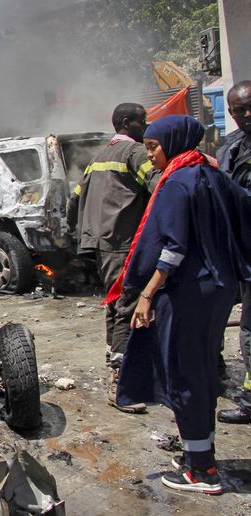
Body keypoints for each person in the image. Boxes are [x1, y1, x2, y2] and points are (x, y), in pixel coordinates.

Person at [110, 115, 251, 494]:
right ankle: (197, 452)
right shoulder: (211, 174)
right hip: (219, 289)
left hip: (187, 290)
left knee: (184, 372)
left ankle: (201, 472)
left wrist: (146, 293)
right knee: (203, 369)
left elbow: (173, 249)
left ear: (171, 142)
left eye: (153, 147)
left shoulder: (176, 182)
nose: (150, 155)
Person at [68, 103, 158, 413]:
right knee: (127, 305)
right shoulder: (135, 154)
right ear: (125, 123)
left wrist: (76, 234)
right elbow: (159, 188)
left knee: (114, 303)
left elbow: (74, 199)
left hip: (100, 244)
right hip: (124, 242)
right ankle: (121, 385)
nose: (145, 127)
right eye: (141, 122)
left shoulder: (96, 159)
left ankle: (115, 362)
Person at [216, 80, 251, 425]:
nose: (245, 115)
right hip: (236, 253)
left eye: (249, 107)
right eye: (238, 110)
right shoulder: (231, 146)